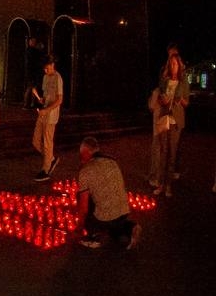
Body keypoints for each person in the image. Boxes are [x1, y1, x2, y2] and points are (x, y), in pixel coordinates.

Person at [76, 136, 141, 250]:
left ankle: (93, 237)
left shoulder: (85, 171)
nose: (80, 157)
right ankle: (130, 227)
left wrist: (80, 227)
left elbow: (84, 208)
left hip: (105, 217)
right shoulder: (112, 161)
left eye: (81, 154)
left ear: (86, 152)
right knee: (114, 229)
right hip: (124, 211)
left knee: (81, 196)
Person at [148, 53, 189, 197]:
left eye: (175, 64)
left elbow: (187, 102)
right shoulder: (164, 81)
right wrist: (163, 100)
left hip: (176, 121)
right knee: (163, 152)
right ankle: (160, 183)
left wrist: (179, 101)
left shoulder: (183, 82)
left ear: (179, 65)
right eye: (171, 64)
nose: (173, 67)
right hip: (164, 118)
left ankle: (169, 185)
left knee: (172, 153)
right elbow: (159, 98)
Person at [31, 55, 63, 181]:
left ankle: (45, 169)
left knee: (47, 142)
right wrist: (40, 99)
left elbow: (60, 99)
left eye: (47, 68)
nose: (45, 71)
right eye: (44, 69)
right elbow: (45, 96)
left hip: (51, 115)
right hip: (43, 113)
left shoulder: (58, 78)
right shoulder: (45, 77)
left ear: (52, 65)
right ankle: (51, 159)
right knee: (36, 141)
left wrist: (47, 109)